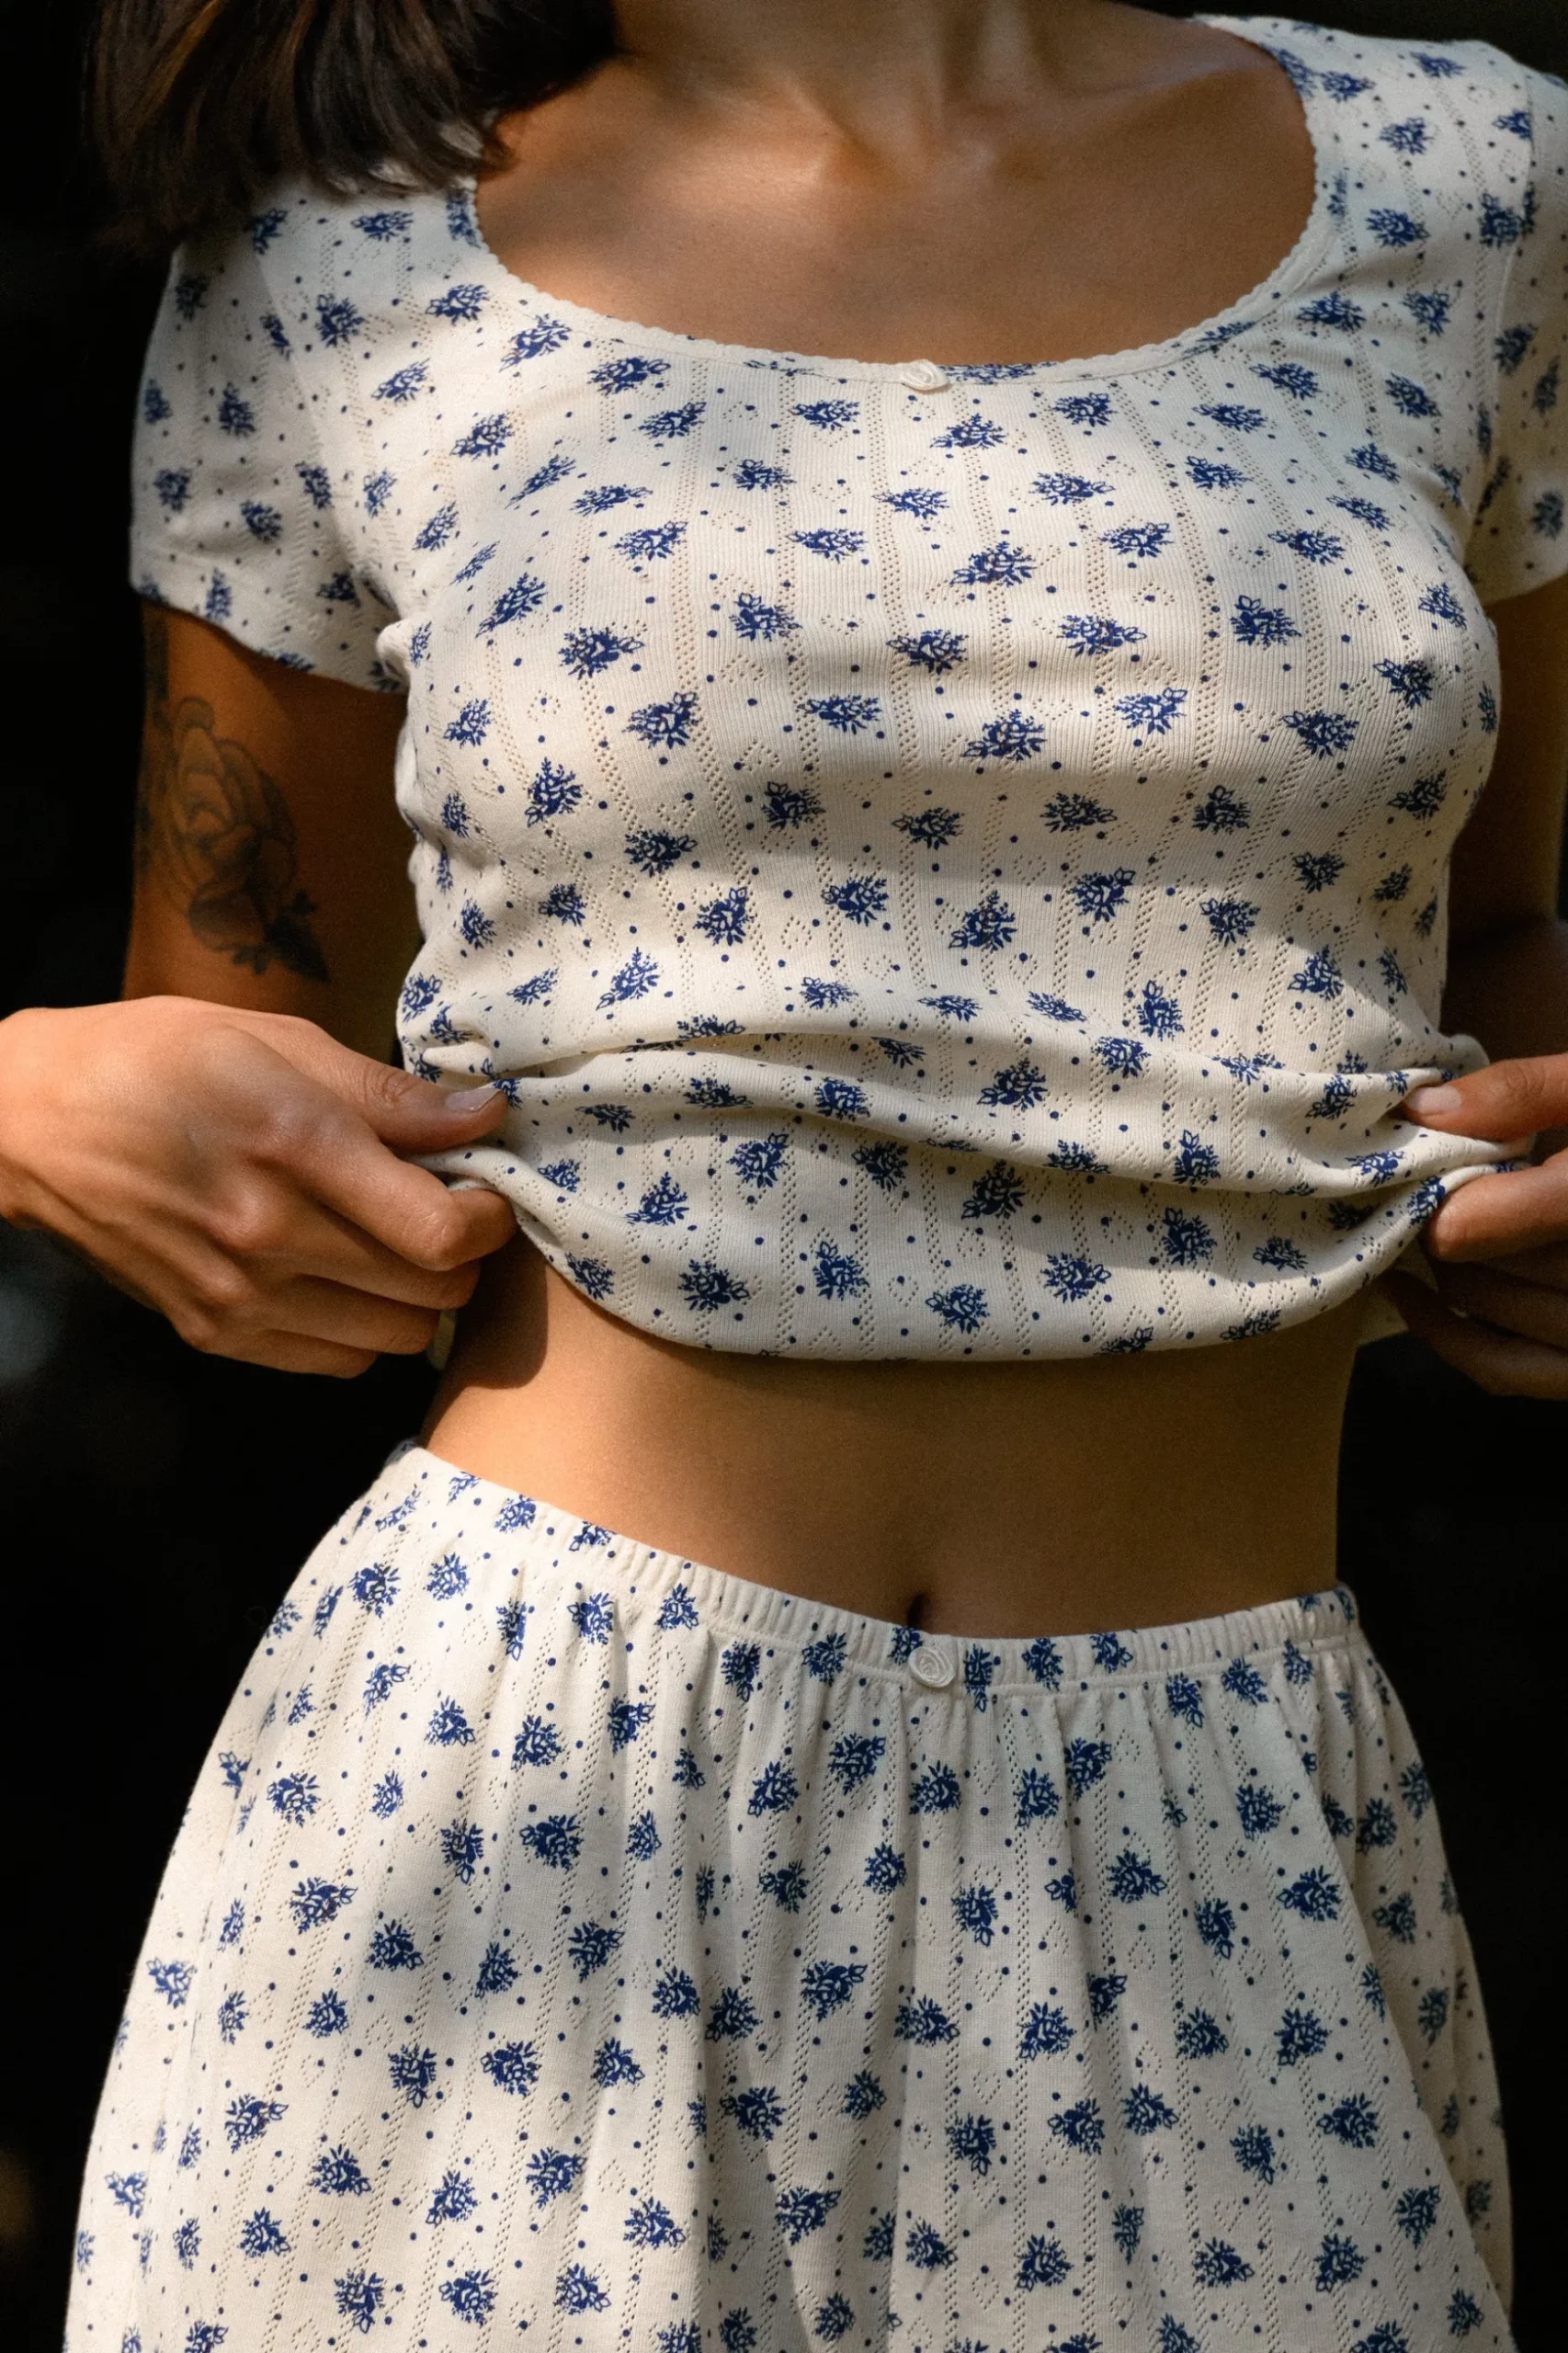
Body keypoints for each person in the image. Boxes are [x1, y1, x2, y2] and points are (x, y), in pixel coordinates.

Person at [5, 0, 1566, 2342]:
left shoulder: (1473, 184)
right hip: (509, 1838)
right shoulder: (338, 250)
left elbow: (1500, 935)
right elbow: (236, 1056)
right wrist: (24, 1097)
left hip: (1218, 1830)